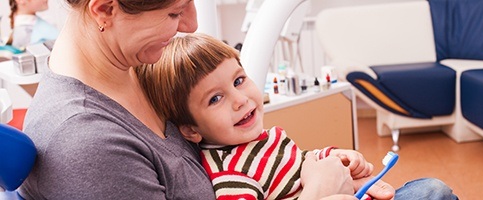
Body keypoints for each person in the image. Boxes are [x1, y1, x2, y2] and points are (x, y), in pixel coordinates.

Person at [18, 0, 362, 199]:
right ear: (105, 9)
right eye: (173, 12)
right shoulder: (86, 144)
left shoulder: (142, 70)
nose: (190, 23)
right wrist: (322, 192)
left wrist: (322, 172)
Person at [136, 33, 459, 200]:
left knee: (433, 189)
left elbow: (299, 166)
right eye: (216, 98)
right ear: (191, 129)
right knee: (432, 191)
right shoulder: (231, 174)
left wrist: (339, 160)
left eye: (238, 81)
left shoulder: (264, 140)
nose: (240, 100)